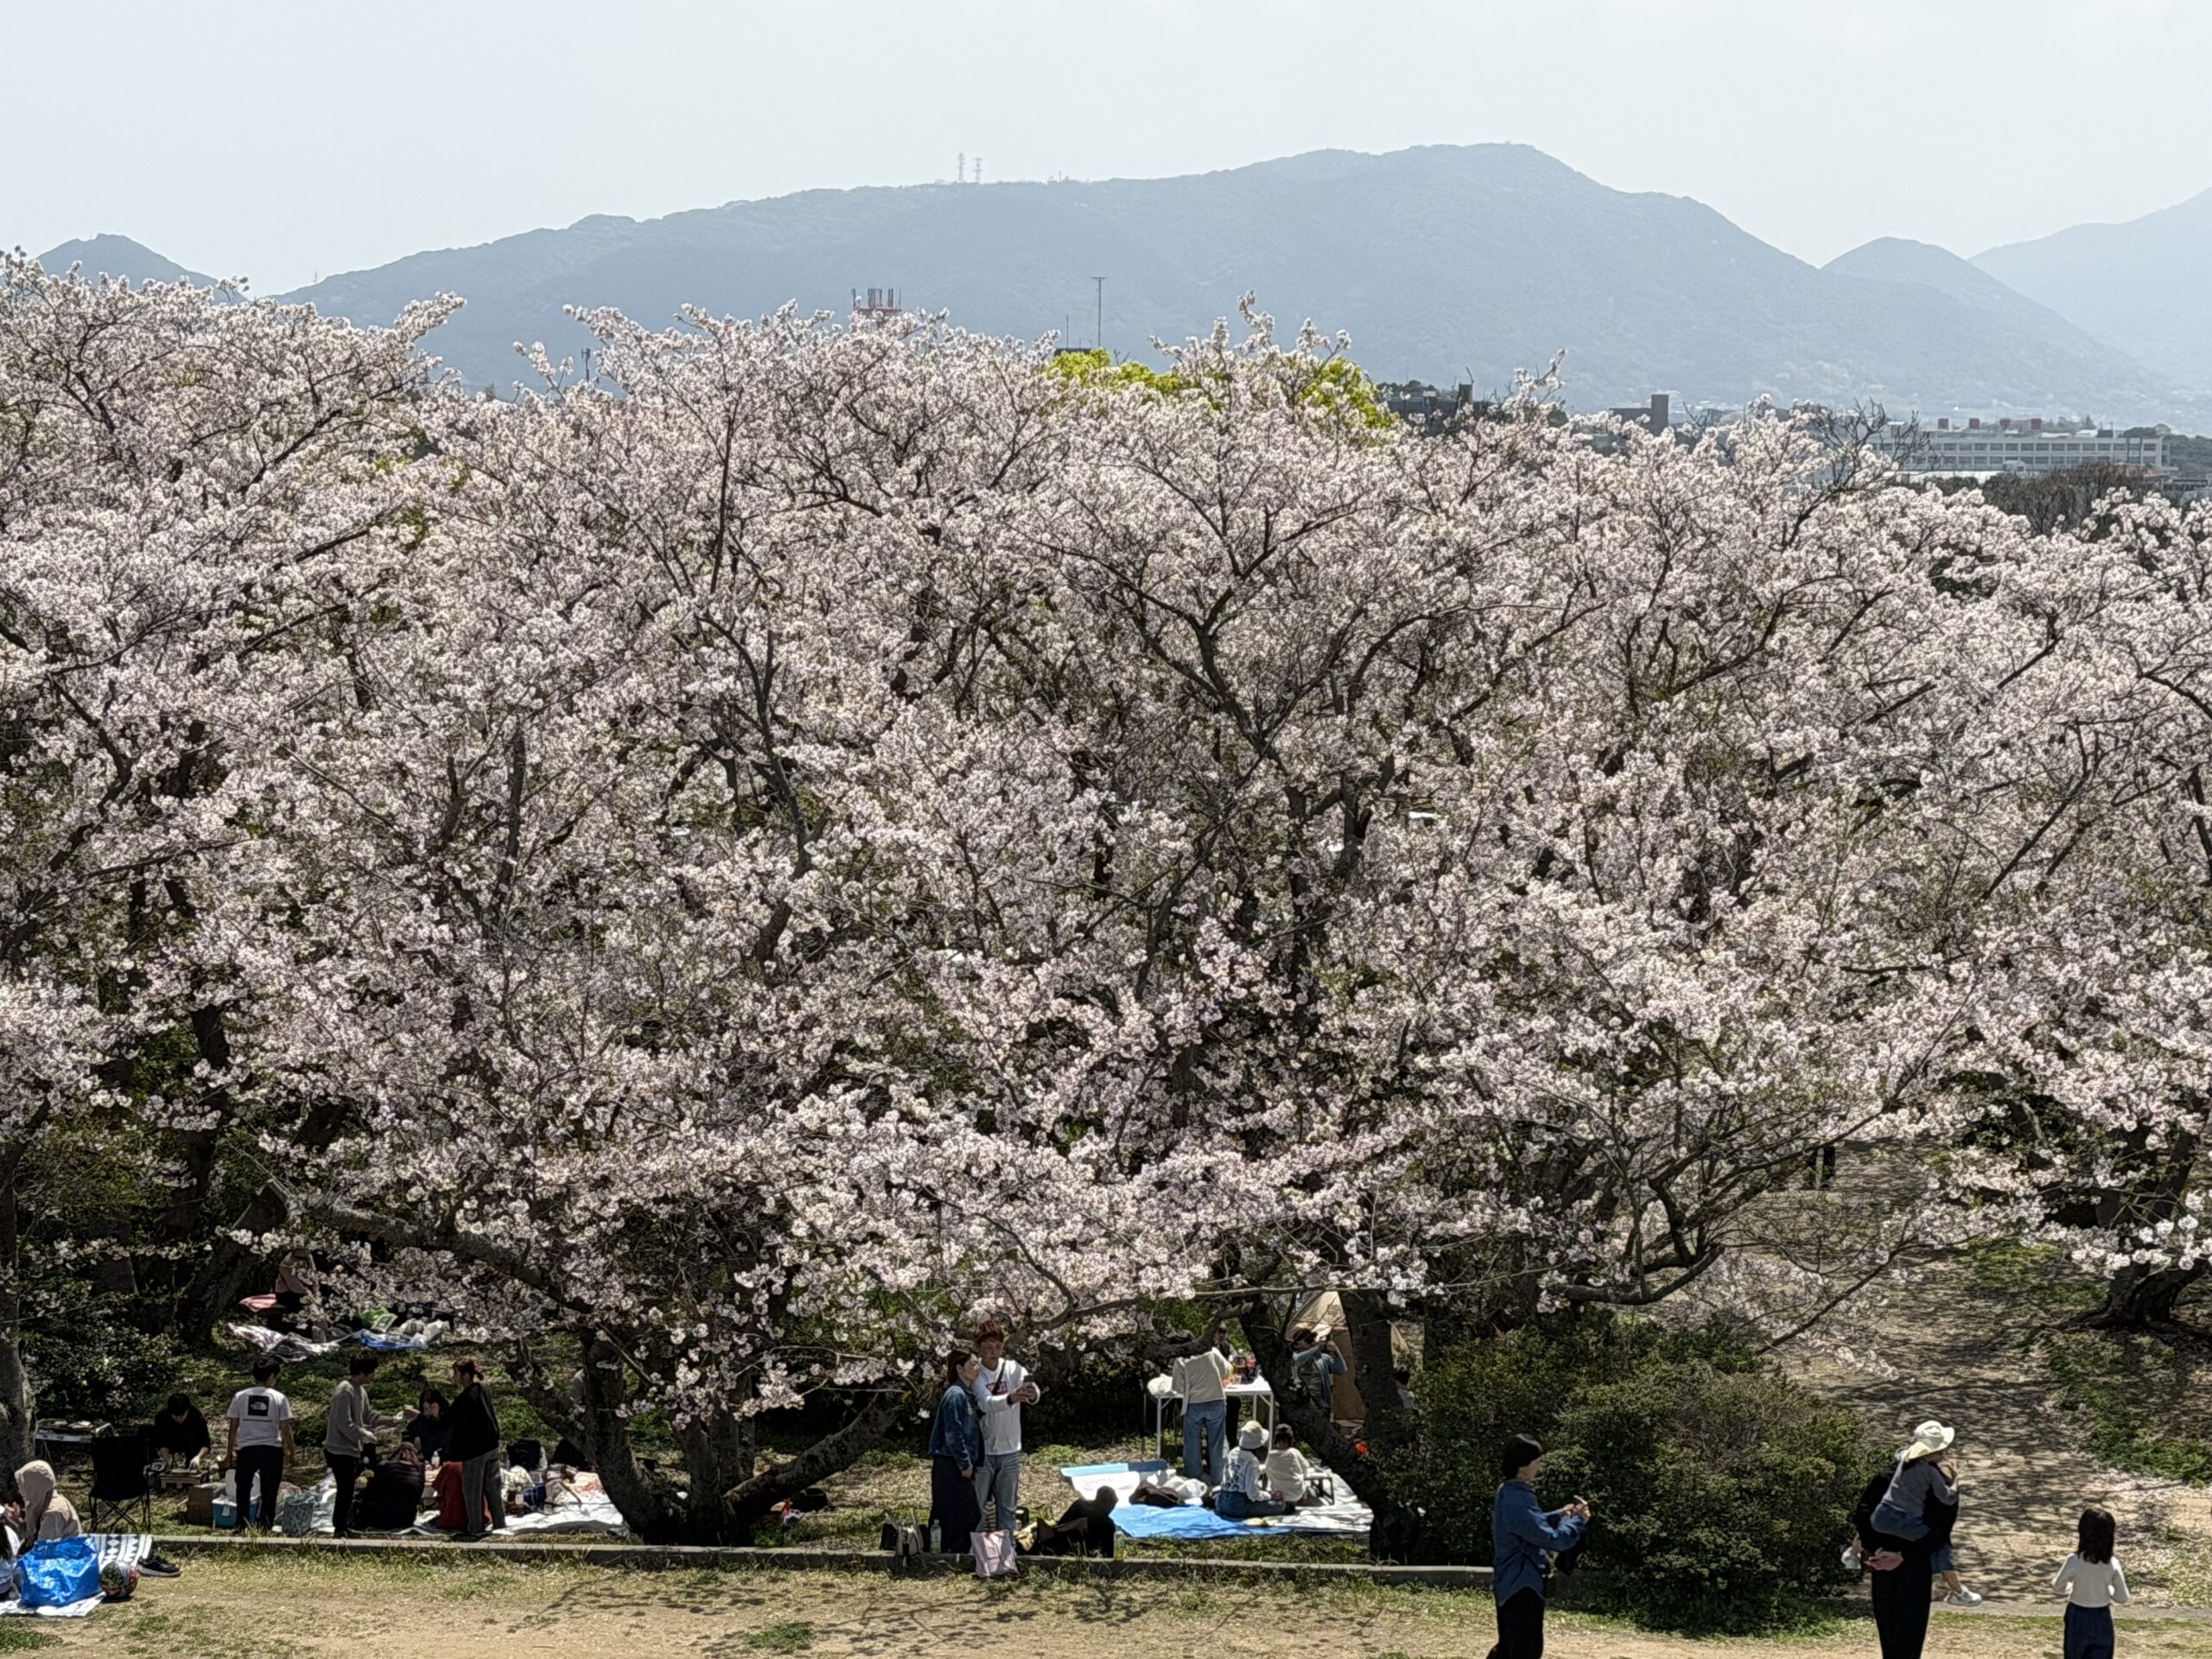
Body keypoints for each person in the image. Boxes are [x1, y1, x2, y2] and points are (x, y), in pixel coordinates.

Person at [1490, 1433, 1588, 1659]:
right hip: (1522, 1585)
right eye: (1537, 1461)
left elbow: (1528, 1526)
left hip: (1510, 1582)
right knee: (1525, 1650)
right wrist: (1578, 1520)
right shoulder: (1518, 1499)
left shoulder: (1509, 1491)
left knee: (1508, 1649)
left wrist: (1560, 1514)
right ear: (1523, 1466)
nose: (1540, 1466)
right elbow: (1553, 1540)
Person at [1868, 1421, 1981, 1607]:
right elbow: (1947, 1497)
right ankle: (1958, 1592)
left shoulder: (1903, 1457)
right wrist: (1956, 1479)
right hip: (1901, 1518)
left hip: (1882, 1514)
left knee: (1899, 1550)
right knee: (1938, 1544)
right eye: (1940, 1451)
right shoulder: (1930, 1471)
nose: (1944, 1454)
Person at [969, 1320, 1040, 1532]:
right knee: (978, 1506)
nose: (993, 1352)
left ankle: (1007, 1552)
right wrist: (1011, 1397)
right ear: (979, 1349)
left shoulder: (1012, 1368)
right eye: (988, 1348)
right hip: (984, 1450)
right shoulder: (976, 1373)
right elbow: (985, 1402)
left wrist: (1032, 1393)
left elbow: (1032, 1387)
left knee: (1007, 1507)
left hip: (1010, 1448)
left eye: (997, 1347)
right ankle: (978, 1551)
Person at [324, 1351, 394, 1537]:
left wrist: (393, 1420)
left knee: (349, 1489)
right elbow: (343, 1422)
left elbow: (368, 1416)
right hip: (339, 1449)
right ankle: (339, 1527)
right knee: (345, 1488)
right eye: (372, 1372)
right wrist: (363, 1434)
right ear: (363, 1372)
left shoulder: (360, 1391)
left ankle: (345, 1525)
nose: (374, 1376)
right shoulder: (345, 1390)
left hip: (353, 1449)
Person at [224, 1355, 295, 1530]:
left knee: (243, 1489)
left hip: (246, 1448)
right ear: (271, 1376)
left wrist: (229, 1452)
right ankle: (265, 1526)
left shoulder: (240, 1396)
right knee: (269, 1491)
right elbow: (285, 1427)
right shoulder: (279, 1398)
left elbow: (233, 1426)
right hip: (271, 1449)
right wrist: (291, 1450)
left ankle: (242, 1524)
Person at [929, 1346, 985, 1550]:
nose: (977, 1367)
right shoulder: (955, 1394)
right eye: (973, 1363)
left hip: (956, 1462)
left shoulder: (965, 1394)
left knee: (954, 1511)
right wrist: (965, 1463)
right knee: (964, 1512)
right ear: (960, 1369)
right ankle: (948, 1553)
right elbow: (953, 1432)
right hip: (949, 1462)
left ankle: (946, 1552)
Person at [2055, 1507, 2129, 1659]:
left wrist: (2071, 1588)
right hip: (2101, 1616)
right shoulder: (2112, 1563)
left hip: (2077, 1614)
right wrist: (2108, 1589)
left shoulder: (2074, 1561)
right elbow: (2123, 1597)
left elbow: (2058, 1587)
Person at [445, 1357, 504, 1540]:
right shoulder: (483, 1390)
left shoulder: (466, 1398)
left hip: (475, 1450)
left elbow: (448, 1420)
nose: (454, 1377)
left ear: (465, 1376)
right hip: (492, 1446)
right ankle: (500, 1524)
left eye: (456, 1373)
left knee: (472, 1490)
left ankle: (476, 1528)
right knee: (493, 1488)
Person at [1173, 1329, 1233, 1486]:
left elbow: (1178, 1387)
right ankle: (1218, 1477)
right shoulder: (1212, 1351)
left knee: (1192, 1441)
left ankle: (1194, 1476)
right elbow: (1227, 1371)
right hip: (1216, 1400)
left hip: (1193, 1404)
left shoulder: (1180, 1360)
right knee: (1218, 1442)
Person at [1216, 1421, 1288, 1520]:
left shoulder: (1233, 1452)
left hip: (1221, 1502)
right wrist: (1269, 1495)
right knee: (1278, 1506)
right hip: (1238, 1506)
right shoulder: (1252, 1461)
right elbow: (1252, 1494)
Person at [1024, 1485, 1119, 1556]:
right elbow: (1109, 1553)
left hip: (1054, 1540)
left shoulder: (1080, 1504)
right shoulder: (1107, 1525)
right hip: (1072, 1550)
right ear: (1109, 1505)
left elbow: (1062, 1523)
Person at [6, 1460, 83, 1548]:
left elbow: (43, 1550)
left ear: (35, 1487)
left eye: (24, 1486)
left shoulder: (53, 1513)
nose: (21, 1492)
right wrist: (18, 1523)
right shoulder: (41, 1502)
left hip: (65, 1558)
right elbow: (33, 1535)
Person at [358, 1443, 429, 1532]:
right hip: (407, 1519)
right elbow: (418, 1494)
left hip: (384, 1518)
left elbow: (373, 1491)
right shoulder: (420, 1470)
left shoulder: (388, 1467)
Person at [1290, 1327, 1347, 1417]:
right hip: (1302, 1400)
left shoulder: (1322, 1358)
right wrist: (1317, 1348)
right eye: (1308, 1341)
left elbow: (1341, 1369)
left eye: (1312, 1340)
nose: (1312, 1343)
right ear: (1297, 1345)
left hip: (1321, 1399)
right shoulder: (1292, 1357)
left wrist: (1336, 1351)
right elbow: (1298, 1360)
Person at [1264, 1423, 1326, 1507]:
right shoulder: (1294, 1452)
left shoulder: (1271, 1455)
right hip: (1296, 1492)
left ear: (1276, 1441)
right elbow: (1306, 1466)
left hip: (1279, 1494)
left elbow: (1266, 1469)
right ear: (1290, 1440)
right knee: (1313, 1490)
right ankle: (1302, 1499)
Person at [147, 1392, 213, 1467]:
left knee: (192, 1463)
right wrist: (166, 1458)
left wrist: (198, 1457)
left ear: (187, 1411)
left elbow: (205, 1444)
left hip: (191, 1443)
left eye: (181, 1416)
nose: (178, 1419)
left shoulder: (196, 1417)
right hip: (171, 1441)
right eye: (175, 1416)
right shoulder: (162, 1418)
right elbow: (161, 1442)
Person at [403, 1388, 452, 1463]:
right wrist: (410, 1451)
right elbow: (407, 1434)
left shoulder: (450, 1418)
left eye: (432, 1407)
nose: (429, 1411)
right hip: (430, 1460)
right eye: (426, 1409)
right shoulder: (421, 1421)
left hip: (452, 1461)